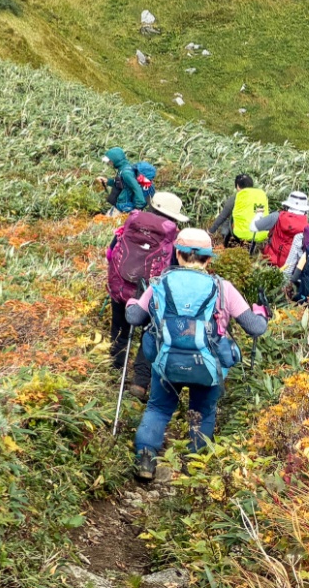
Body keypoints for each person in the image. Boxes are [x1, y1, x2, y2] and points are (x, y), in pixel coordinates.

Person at [126, 227, 268, 481]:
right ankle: (193, 469)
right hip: (208, 366)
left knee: (158, 408)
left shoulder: (160, 283)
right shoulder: (223, 288)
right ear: (208, 259)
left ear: (178, 254)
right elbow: (256, 328)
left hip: (166, 363)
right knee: (203, 411)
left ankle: (146, 458)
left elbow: (135, 317)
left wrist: (131, 303)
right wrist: (260, 312)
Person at [106, 190, 183, 400]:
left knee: (119, 329)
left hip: (121, 287)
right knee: (151, 334)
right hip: (151, 294)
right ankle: (139, 382)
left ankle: (115, 370)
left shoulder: (131, 224)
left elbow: (111, 252)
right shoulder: (173, 238)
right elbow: (175, 269)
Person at [249, 190, 309, 269]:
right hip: (290, 268)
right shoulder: (308, 226)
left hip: (268, 263)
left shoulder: (277, 216)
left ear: (287, 205)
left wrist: (259, 214)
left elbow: (253, 227)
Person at [208, 174, 268, 250]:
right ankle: (250, 251)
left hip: (240, 234)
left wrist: (210, 231)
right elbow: (260, 213)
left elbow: (223, 216)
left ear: (237, 186)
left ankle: (228, 246)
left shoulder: (236, 198)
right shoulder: (260, 196)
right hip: (258, 234)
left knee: (227, 219)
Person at [101, 147, 148, 214]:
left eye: (110, 161)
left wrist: (138, 207)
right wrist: (108, 181)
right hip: (123, 205)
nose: (109, 163)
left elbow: (136, 188)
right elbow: (122, 183)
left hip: (125, 206)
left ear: (116, 160)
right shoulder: (124, 168)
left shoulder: (126, 173)